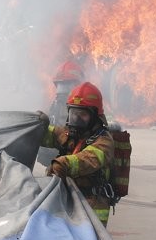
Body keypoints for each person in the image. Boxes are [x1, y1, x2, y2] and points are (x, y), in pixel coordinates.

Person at [40, 81, 116, 227]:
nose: (77, 119)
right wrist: (38, 126)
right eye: (74, 113)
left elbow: (87, 159)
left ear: (95, 116)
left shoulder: (104, 141)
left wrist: (63, 164)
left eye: (83, 114)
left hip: (92, 205)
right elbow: (53, 135)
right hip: (71, 199)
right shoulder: (73, 135)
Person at [47, 59, 84, 123]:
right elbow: (50, 124)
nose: (63, 91)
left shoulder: (85, 106)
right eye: (61, 86)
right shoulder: (55, 106)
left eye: (67, 84)